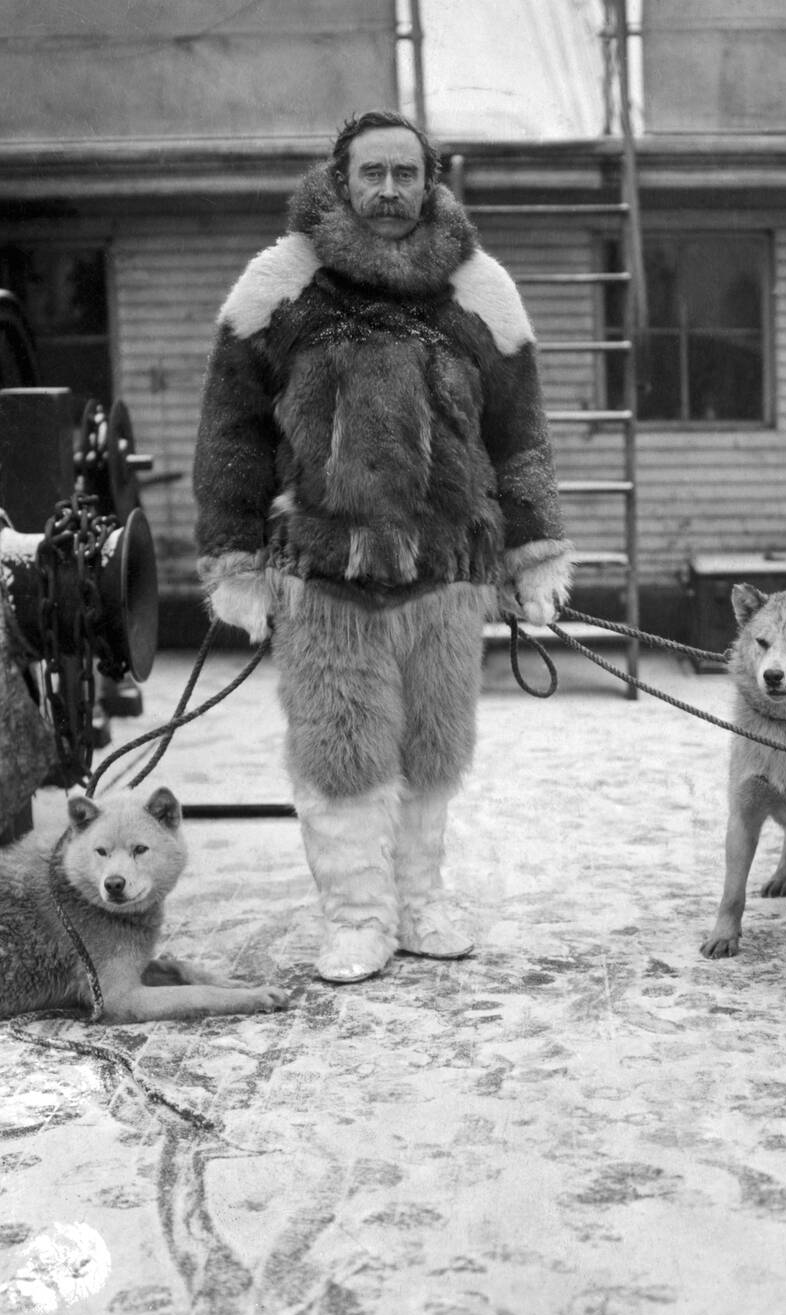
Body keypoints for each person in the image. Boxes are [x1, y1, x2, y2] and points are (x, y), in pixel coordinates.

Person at [192, 110, 572, 984]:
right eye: (374, 173)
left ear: (432, 181)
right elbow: (231, 435)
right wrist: (235, 558)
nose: (391, 190)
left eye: (407, 173)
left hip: (445, 573)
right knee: (343, 752)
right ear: (341, 177)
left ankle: (423, 901)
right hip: (327, 577)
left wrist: (536, 549)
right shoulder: (281, 285)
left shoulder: (479, 288)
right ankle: (357, 917)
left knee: (433, 749)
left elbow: (521, 436)